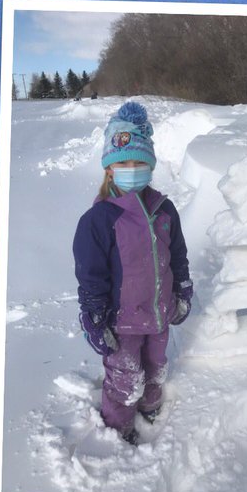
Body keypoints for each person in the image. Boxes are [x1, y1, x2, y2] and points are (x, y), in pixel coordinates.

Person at [73, 100, 193, 444]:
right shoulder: (98, 221)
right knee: (125, 378)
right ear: (109, 169)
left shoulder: (164, 210)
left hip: (159, 314)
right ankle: (118, 427)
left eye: (140, 162)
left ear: (151, 165)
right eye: (123, 162)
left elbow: (178, 256)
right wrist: (94, 318)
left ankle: (150, 407)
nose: (132, 168)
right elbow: (91, 278)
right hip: (121, 323)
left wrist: (182, 291)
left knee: (156, 366)